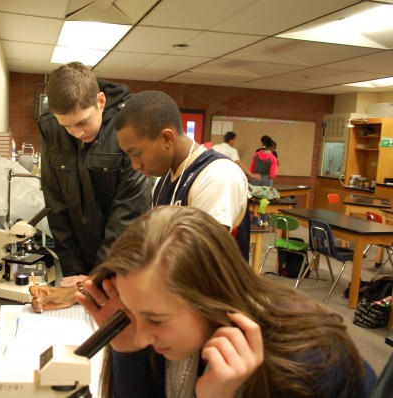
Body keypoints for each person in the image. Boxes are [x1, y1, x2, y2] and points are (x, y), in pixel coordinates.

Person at [77, 206, 377, 398]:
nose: (141, 335)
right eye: (131, 312)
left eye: (155, 319)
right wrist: (126, 350)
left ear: (211, 298)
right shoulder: (170, 336)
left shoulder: (305, 365)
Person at [33, 61, 152, 310]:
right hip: (78, 261)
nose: (76, 133)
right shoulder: (50, 126)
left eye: (83, 123)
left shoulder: (129, 126)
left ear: (100, 101)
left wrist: (96, 279)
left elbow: (127, 215)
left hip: (120, 261)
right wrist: (75, 278)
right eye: (67, 126)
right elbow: (57, 206)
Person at [114, 90, 250, 258]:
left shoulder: (218, 175)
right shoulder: (163, 179)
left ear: (167, 138)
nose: (135, 165)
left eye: (136, 153)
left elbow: (201, 261)